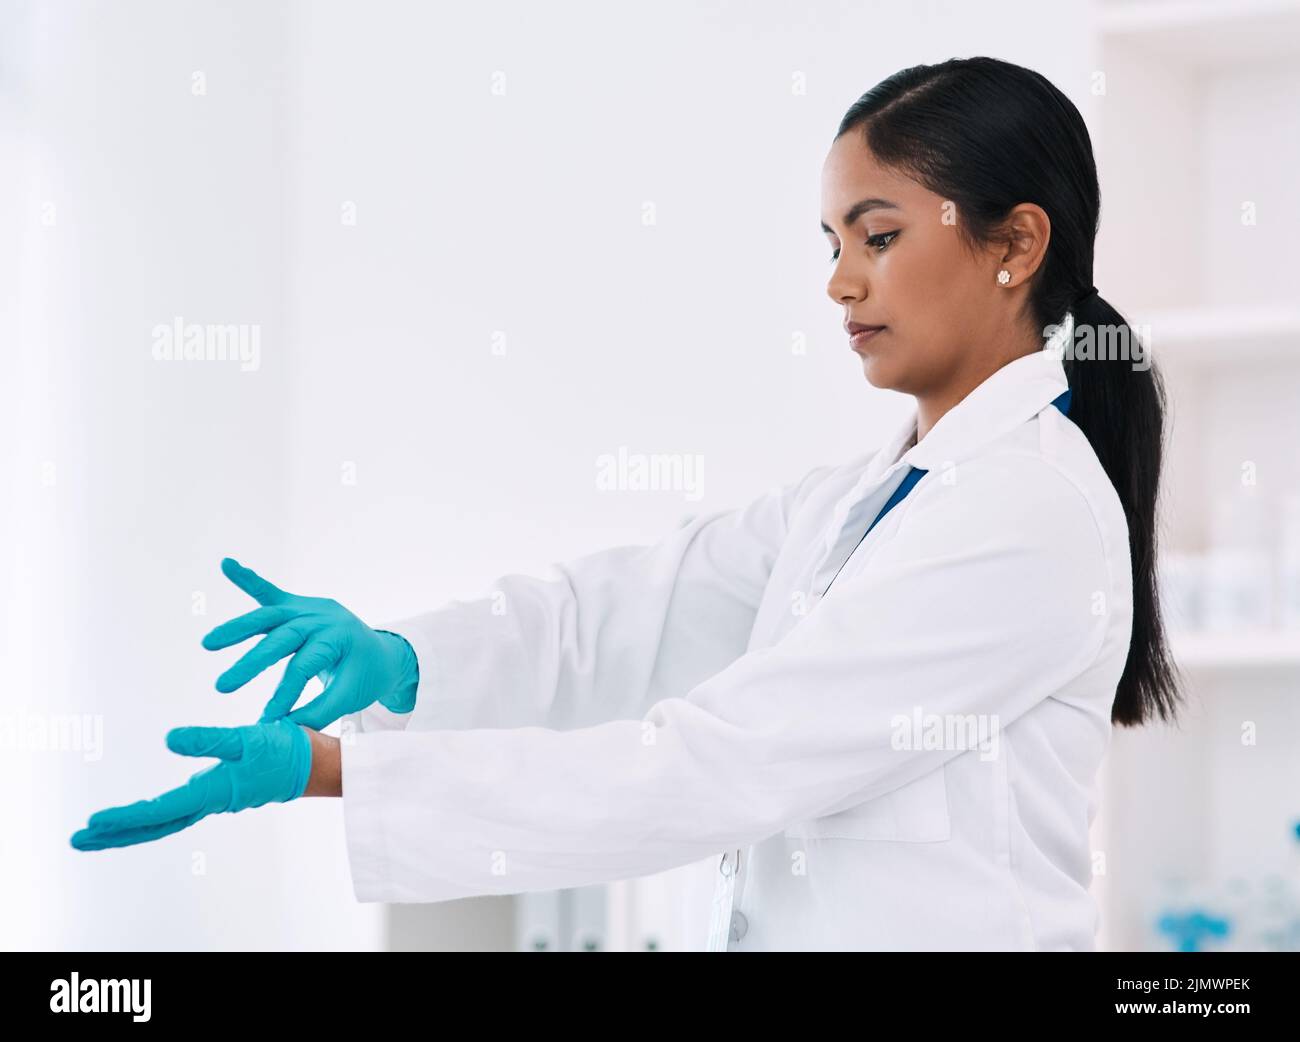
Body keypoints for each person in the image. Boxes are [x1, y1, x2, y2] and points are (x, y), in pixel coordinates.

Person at [71, 56, 1180, 951]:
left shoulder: (1025, 514)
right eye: (833, 243)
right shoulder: (866, 499)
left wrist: (337, 770)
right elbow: (630, 610)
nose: (840, 282)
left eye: (879, 237)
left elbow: (719, 764)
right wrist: (410, 661)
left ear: (1015, 244)